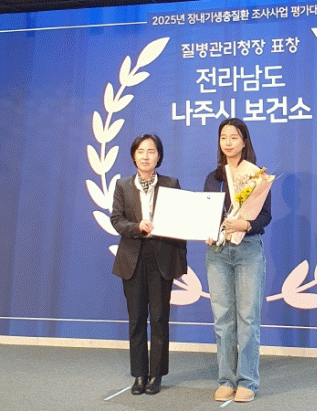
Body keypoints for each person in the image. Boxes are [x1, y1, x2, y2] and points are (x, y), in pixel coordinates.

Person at [110, 134, 187, 395]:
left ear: (159, 156)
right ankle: (139, 375)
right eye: (141, 151)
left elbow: (181, 220)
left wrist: (181, 260)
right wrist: (137, 227)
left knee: (159, 318)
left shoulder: (171, 184)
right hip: (132, 258)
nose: (145, 156)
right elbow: (117, 220)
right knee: (136, 320)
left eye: (151, 151)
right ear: (134, 156)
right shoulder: (123, 185)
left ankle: (156, 375)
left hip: (161, 258)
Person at [204, 118, 272, 403]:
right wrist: (207, 231)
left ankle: (248, 381)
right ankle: (226, 380)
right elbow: (206, 212)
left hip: (248, 251)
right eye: (223, 137)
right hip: (218, 253)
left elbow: (265, 216)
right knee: (222, 320)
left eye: (234, 137)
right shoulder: (214, 178)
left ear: (244, 141)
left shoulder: (257, 176)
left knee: (248, 319)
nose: (228, 142)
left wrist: (245, 225)